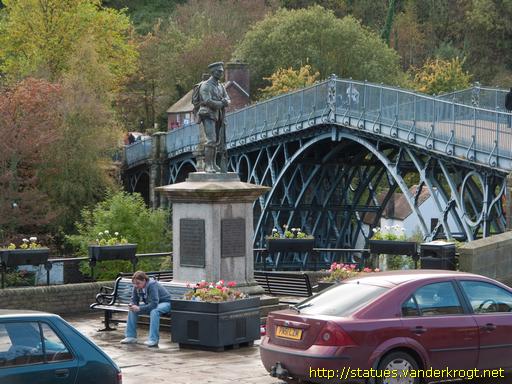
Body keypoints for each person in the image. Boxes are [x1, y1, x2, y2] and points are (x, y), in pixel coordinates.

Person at [120, 271, 171, 347]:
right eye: (134, 283)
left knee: (154, 311)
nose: (135, 285)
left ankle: (153, 340)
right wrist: (132, 305)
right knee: (132, 310)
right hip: (154, 304)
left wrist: (139, 308)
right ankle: (130, 336)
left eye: (137, 283)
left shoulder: (152, 285)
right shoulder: (136, 286)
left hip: (166, 303)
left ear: (144, 280)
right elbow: (134, 299)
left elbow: (154, 304)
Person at [196, 62, 230, 173]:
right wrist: (222, 103)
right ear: (213, 72)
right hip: (208, 114)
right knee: (211, 140)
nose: (221, 73)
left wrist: (226, 102)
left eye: (222, 71)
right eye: (219, 71)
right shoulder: (206, 85)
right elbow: (207, 101)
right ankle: (208, 166)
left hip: (219, 115)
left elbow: (228, 99)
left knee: (216, 141)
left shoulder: (221, 86)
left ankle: (214, 164)